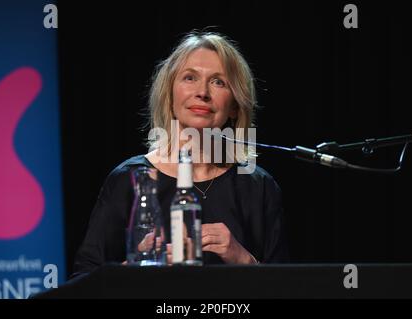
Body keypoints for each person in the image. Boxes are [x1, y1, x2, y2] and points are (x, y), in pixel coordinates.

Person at [72, 31, 288, 277]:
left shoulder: (258, 186)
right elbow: (82, 282)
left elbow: (286, 290)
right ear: (170, 95)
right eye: (190, 77)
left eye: (218, 82)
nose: (202, 92)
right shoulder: (129, 179)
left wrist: (244, 260)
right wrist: (133, 269)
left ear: (235, 106)